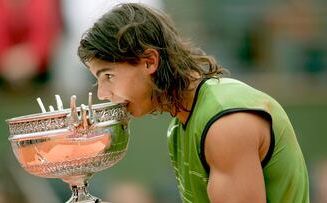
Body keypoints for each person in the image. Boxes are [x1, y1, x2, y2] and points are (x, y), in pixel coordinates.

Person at [77, 3, 310, 203]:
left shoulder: (225, 123)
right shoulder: (180, 127)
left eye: (108, 76)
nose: (102, 93)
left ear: (149, 62)